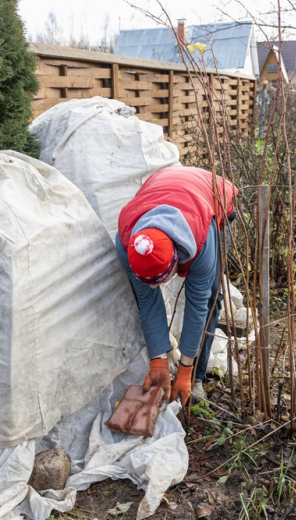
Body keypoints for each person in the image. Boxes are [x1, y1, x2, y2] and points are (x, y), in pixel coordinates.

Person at [115, 166, 238, 406]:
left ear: (177, 259)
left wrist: (185, 369)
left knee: (211, 296)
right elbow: (147, 301)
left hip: (210, 197)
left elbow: (197, 303)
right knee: (145, 297)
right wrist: (158, 359)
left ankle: (196, 378)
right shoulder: (127, 245)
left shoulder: (201, 242)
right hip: (165, 188)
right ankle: (179, 370)